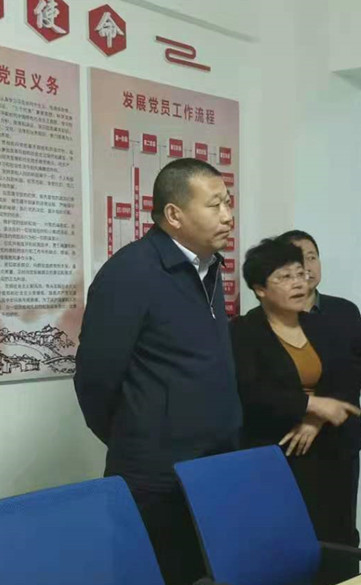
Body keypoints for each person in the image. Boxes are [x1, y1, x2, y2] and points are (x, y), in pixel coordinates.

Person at [74, 158, 241, 585]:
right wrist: (139, 435)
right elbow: (95, 379)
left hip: (212, 465)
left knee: (206, 573)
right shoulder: (131, 272)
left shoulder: (208, 267)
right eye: (215, 205)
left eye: (228, 203)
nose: (228, 215)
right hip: (155, 476)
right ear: (174, 215)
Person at [230, 238, 361, 584]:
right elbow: (250, 391)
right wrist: (309, 404)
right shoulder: (244, 332)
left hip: (329, 451)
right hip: (276, 453)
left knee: (337, 541)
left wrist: (315, 419)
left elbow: (345, 377)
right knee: (286, 546)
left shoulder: (320, 326)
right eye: (284, 277)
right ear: (260, 289)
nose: (297, 283)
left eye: (299, 274)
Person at [276, 229, 361, 543]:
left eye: (312, 257)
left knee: (340, 534)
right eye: (297, 260)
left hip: (339, 441)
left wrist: (320, 413)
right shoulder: (265, 320)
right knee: (292, 534)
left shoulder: (344, 312)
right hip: (288, 442)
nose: (307, 266)